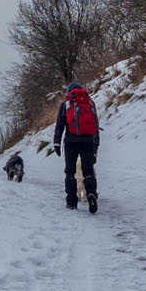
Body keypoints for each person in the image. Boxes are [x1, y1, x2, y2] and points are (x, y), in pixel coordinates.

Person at [51, 81, 100, 213]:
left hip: (71, 142)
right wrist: (96, 146)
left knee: (70, 172)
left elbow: (60, 126)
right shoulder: (89, 103)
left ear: (69, 92)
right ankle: (91, 195)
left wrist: (57, 142)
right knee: (88, 171)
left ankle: (72, 201)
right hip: (89, 142)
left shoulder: (66, 104)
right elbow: (95, 126)